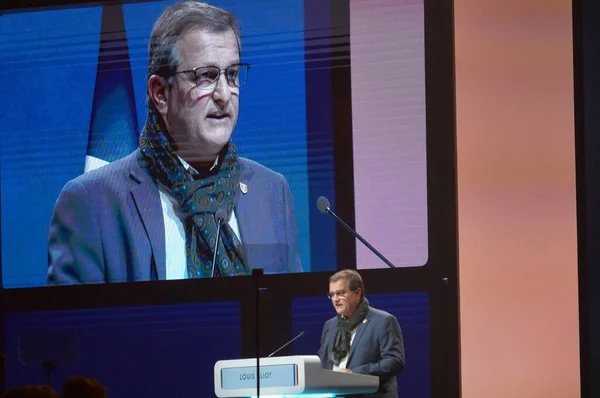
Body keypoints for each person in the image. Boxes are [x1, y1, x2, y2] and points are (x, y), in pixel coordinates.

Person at [47, 1, 302, 284]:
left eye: (231, 75)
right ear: (160, 93)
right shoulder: (92, 203)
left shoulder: (270, 192)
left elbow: (289, 316)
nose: (224, 95)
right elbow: (75, 327)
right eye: (205, 76)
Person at [318, 270, 405, 398]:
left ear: (357, 293)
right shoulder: (330, 325)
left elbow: (394, 362)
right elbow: (323, 362)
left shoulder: (383, 321)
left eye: (340, 293)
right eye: (332, 294)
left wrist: (354, 373)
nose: (335, 300)